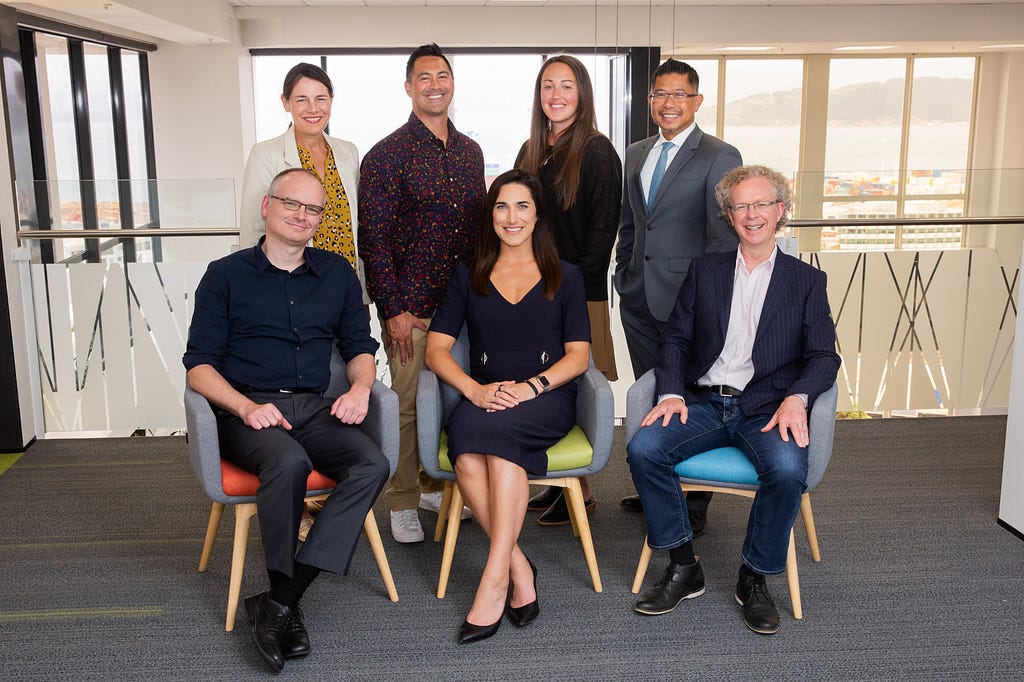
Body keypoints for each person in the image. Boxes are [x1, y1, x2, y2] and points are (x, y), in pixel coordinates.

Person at [183, 168, 390, 672]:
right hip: (249, 412)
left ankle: (280, 599)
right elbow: (199, 368)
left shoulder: (338, 273)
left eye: (313, 209)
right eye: (291, 204)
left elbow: (359, 348)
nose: (302, 215)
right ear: (267, 207)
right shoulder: (225, 275)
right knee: (289, 463)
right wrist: (245, 407)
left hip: (315, 408)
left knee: (371, 464)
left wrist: (361, 388)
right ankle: (284, 601)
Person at [626, 165, 840, 635]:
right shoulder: (707, 271)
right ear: (729, 215)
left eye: (762, 203)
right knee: (643, 448)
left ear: (780, 211)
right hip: (704, 402)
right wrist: (670, 392)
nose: (752, 214)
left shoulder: (806, 281)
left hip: (766, 407)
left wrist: (798, 397)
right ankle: (684, 565)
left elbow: (825, 356)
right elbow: (676, 340)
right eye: (741, 205)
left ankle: (754, 578)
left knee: (785, 471)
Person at [425, 169, 592, 644]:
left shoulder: (567, 275)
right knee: (467, 446)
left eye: (522, 206)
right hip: (485, 393)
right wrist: (474, 391)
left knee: (496, 446)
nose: (511, 216)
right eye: (501, 206)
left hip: (546, 397)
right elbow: (437, 350)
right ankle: (518, 566)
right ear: (491, 214)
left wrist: (533, 387)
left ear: (538, 215)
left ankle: (494, 580)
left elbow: (578, 356)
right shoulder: (469, 274)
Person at [359, 43, 486, 544]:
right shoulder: (386, 155)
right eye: (424, 78)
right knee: (408, 404)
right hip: (411, 308)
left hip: (464, 306)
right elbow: (375, 241)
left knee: (453, 401)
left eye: (443, 76)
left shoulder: (470, 152)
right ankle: (403, 498)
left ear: (452, 84)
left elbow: (477, 232)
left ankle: (436, 483)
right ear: (409, 87)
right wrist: (393, 311)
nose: (435, 85)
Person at [616, 59, 743, 532]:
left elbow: (722, 239)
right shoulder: (636, 152)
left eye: (679, 95)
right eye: (659, 95)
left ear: (697, 101)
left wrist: (704, 303)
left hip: (689, 302)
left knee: (691, 396)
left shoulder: (719, 155)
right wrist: (622, 272)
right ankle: (658, 483)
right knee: (653, 393)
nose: (668, 103)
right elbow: (632, 224)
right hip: (638, 298)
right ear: (649, 101)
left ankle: (694, 503)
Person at [515, 54, 621, 526]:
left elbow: (602, 237)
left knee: (579, 385)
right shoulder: (531, 150)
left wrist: (566, 290)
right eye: (547, 87)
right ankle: (562, 483)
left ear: (582, 94)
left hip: (578, 292)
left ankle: (582, 489)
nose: (556, 95)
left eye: (567, 86)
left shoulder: (597, 151)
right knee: (545, 386)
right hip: (531, 292)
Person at [238, 63, 362, 281]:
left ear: (331, 100)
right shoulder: (265, 154)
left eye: (320, 99)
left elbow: (357, 229)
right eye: (302, 100)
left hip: (346, 282)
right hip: (291, 284)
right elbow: (253, 231)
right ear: (286, 103)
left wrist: (362, 293)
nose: (313, 109)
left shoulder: (348, 152)